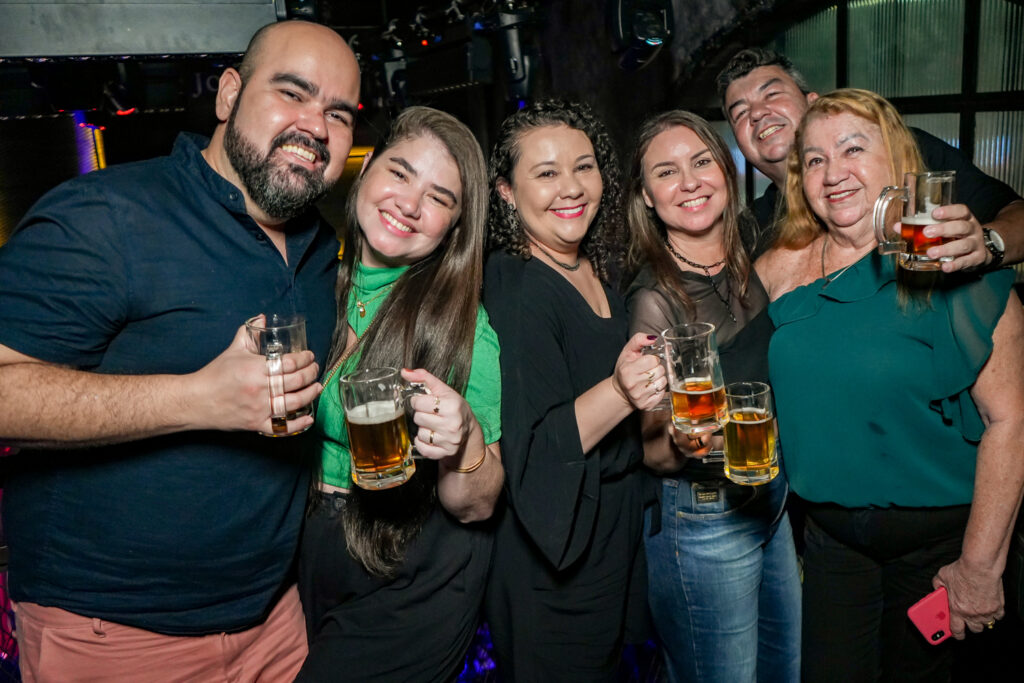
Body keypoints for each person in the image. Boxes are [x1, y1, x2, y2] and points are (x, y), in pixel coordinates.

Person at [0, 20, 360, 681]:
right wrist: (200, 397)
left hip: (277, 624)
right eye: (292, 92)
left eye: (339, 112)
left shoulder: (322, 250)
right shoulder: (106, 215)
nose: (316, 125)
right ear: (229, 94)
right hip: (113, 636)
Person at [756, 88, 1024, 682]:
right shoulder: (777, 267)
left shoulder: (954, 262)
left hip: (941, 552)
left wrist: (981, 567)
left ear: (898, 158)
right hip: (830, 546)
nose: (833, 173)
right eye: (816, 159)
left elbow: (1013, 422)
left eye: (853, 148)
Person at [295, 106, 504, 681]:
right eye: (401, 172)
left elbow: (479, 502)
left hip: (413, 569)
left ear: (455, 228)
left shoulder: (464, 329)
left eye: (440, 198)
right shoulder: (314, 284)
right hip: (314, 552)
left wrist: (467, 441)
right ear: (365, 173)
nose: (411, 204)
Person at [482, 98, 666, 681]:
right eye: (545, 172)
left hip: (611, 536)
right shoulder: (516, 288)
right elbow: (530, 449)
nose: (571, 187)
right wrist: (619, 389)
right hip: (554, 560)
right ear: (507, 193)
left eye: (583, 166)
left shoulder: (596, 269)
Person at [624, 110, 801, 682]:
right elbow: (652, 452)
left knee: (788, 669)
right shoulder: (653, 299)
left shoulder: (757, 244)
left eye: (702, 161)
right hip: (706, 519)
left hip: (773, 497)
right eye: (667, 172)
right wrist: (680, 439)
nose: (691, 181)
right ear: (647, 197)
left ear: (727, 169)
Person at [717, 47, 1024, 269]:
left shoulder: (902, 152)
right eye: (741, 113)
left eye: (772, 95)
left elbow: (1017, 214)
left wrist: (987, 245)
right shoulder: (752, 228)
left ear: (813, 103)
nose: (757, 114)